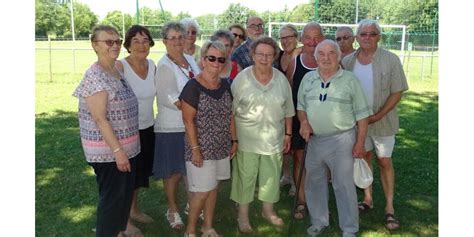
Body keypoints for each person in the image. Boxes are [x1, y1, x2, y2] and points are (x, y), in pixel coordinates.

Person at [298, 39, 372, 237]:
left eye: (331, 53)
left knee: (344, 185)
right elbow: (301, 107)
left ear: (339, 57)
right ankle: (319, 221)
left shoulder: (350, 80)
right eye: (321, 53)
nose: (326, 58)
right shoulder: (308, 79)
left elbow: (363, 115)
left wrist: (360, 142)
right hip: (314, 141)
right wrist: (304, 122)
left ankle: (349, 229)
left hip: (343, 140)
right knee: (314, 183)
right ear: (315, 57)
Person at [73, 25, 140, 237]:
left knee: (123, 196)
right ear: (95, 45)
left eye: (117, 41)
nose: (115, 45)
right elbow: (100, 118)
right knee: (112, 199)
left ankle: (118, 232)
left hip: (126, 149)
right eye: (108, 42)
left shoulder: (116, 69)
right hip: (109, 152)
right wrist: (118, 151)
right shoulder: (95, 76)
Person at [342, 19, 409, 231]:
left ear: (379, 36)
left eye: (372, 34)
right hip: (356, 123)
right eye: (363, 34)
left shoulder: (390, 60)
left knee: (384, 160)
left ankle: (389, 207)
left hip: (383, 121)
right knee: (364, 157)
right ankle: (368, 198)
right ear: (357, 37)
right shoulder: (348, 61)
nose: (367, 38)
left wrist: (378, 115)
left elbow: (397, 92)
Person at [230, 36, 294, 232]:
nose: (264, 58)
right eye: (260, 54)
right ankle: (243, 216)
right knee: (245, 178)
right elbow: (230, 112)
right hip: (246, 140)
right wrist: (234, 139)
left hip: (273, 139)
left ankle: (268, 211)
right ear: (252, 55)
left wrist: (288, 135)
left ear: (274, 56)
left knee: (271, 177)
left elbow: (288, 110)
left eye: (269, 55)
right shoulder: (241, 79)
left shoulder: (281, 80)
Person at [180, 40, 237, 237]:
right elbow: (188, 121)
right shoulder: (192, 87)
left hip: (221, 147)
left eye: (221, 59)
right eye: (211, 58)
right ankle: (190, 231)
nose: (216, 62)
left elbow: (231, 115)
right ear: (203, 60)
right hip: (201, 149)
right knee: (202, 191)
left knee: (213, 188)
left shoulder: (226, 85)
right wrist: (195, 149)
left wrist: (234, 141)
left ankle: (208, 227)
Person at [153, 21, 201, 231]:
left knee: (190, 170)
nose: (177, 41)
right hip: (172, 128)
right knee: (172, 172)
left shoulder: (190, 60)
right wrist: (195, 110)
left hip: (191, 125)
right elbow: (168, 98)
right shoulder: (164, 65)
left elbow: (199, 83)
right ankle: (172, 209)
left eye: (180, 37)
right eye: (172, 38)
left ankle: (192, 204)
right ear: (164, 41)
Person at [285, 22, 325, 220]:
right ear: (302, 40)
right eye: (308, 37)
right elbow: (289, 93)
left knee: (321, 163)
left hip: (325, 122)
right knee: (300, 159)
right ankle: (301, 201)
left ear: (323, 39)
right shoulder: (295, 62)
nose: (312, 41)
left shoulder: (331, 61)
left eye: (316, 37)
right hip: (301, 121)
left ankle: (318, 200)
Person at [118, 25, 156, 230]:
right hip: (127, 132)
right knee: (125, 178)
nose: (141, 45)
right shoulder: (120, 67)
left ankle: (133, 210)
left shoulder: (152, 65)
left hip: (148, 128)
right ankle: (124, 221)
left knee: (138, 175)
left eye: (145, 41)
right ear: (128, 45)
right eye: (136, 41)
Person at [276, 23, 301, 195]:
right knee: (283, 143)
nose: (286, 41)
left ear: (296, 37)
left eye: (289, 37)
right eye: (282, 38)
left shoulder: (301, 55)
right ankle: (285, 175)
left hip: (298, 107)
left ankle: (295, 180)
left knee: (296, 146)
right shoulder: (278, 56)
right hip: (280, 106)